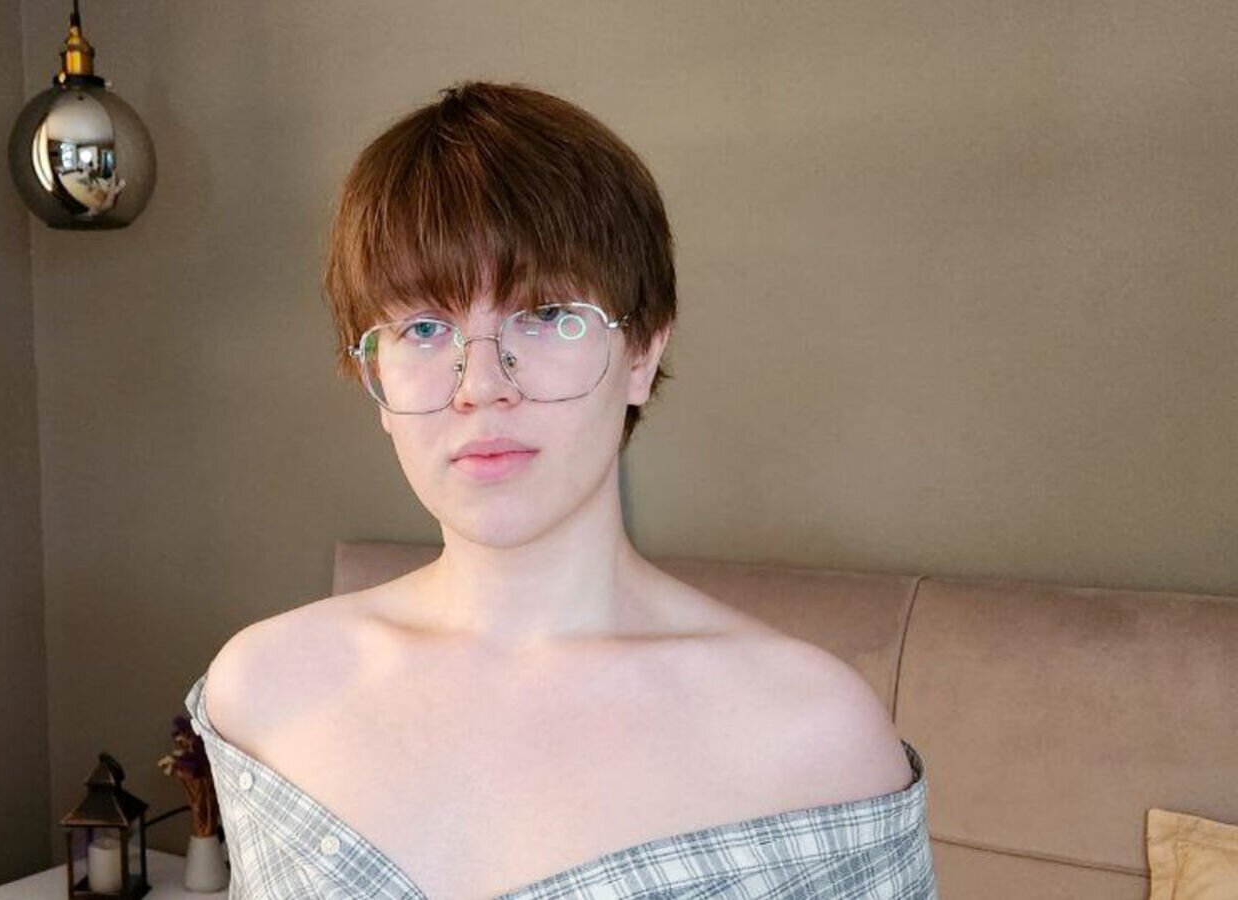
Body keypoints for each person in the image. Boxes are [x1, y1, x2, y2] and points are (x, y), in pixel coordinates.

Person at [186, 80, 936, 899]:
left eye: (545, 315)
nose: (480, 385)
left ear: (643, 353)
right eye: (424, 329)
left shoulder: (814, 738)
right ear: (374, 377)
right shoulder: (263, 691)